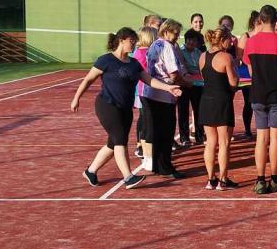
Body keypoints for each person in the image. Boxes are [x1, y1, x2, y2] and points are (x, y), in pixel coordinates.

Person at [70, 28, 181, 189]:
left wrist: (168, 88)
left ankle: (91, 171)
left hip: (125, 109)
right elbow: (88, 80)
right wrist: (76, 98)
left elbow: (149, 80)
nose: (134, 44)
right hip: (107, 105)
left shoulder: (134, 63)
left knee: (113, 143)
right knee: (120, 140)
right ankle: (128, 177)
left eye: (135, 41)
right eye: (131, 41)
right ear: (121, 40)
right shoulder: (106, 60)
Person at [243, 4, 277, 193]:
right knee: (276, 138)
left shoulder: (250, 42)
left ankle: (260, 180)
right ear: (275, 20)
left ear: (260, 20)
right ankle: (275, 178)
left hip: (258, 94)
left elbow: (251, 71)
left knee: (261, 138)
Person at [145, 19, 190, 179]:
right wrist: (187, 83)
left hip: (152, 93)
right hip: (165, 94)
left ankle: (158, 165)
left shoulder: (154, 44)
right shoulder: (168, 47)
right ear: (166, 32)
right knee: (166, 132)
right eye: (175, 33)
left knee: (158, 132)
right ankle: (165, 167)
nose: (177, 36)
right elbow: (173, 73)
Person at [199, 28, 240, 189]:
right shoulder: (226, 57)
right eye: (229, 38)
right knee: (224, 143)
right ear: (222, 40)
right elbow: (233, 82)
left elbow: (205, 78)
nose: (232, 41)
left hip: (206, 102)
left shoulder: (202, 56)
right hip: (222, 102)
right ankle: (223, 180)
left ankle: (211, 179)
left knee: (210, 142)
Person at [131, 26, 157, 168]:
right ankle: (148, 157)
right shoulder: (143, 53)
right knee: (149, 125)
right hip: (147, 92)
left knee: (148, 124)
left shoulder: (142, 53)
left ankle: (148, 157)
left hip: (147, 92)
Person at [236, 10, 260, 140]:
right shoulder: (245, 37)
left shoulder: (263, 36)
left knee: (259, 102)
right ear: (255, 23)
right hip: (246, 74)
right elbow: (239, 57)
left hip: (259, 72)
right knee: (249, 101)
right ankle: (247, 129)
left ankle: (261, 129)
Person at [182, 28, 206, 146]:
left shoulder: (199, 53)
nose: (191, 42)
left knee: (199, 110)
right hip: (185, 84)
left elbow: (202, 67)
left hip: (198, 85)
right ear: (185, 40)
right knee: (183, 111)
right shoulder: (180, 52)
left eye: (194, 40)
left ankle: (199, 135)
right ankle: (184, 137)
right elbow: (182, 67)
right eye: (189, 40)